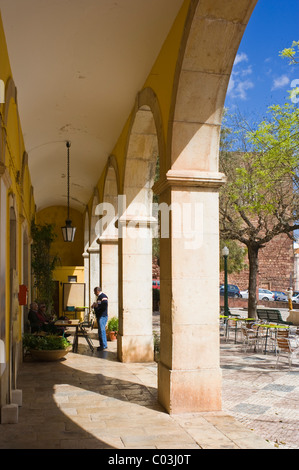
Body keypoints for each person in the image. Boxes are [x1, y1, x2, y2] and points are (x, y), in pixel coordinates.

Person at [92, 287, 108, 351]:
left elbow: (104, 305)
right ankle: (102, 345)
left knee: (102, 330)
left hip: (102, 316)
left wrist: (97, 306)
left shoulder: (103, 296)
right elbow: (99, 305)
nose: (94, 293)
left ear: (97, 291)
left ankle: (104, 345)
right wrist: (95, 305)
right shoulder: (99, 297)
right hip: (100, 316)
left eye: (95, 292)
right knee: (100, 331)